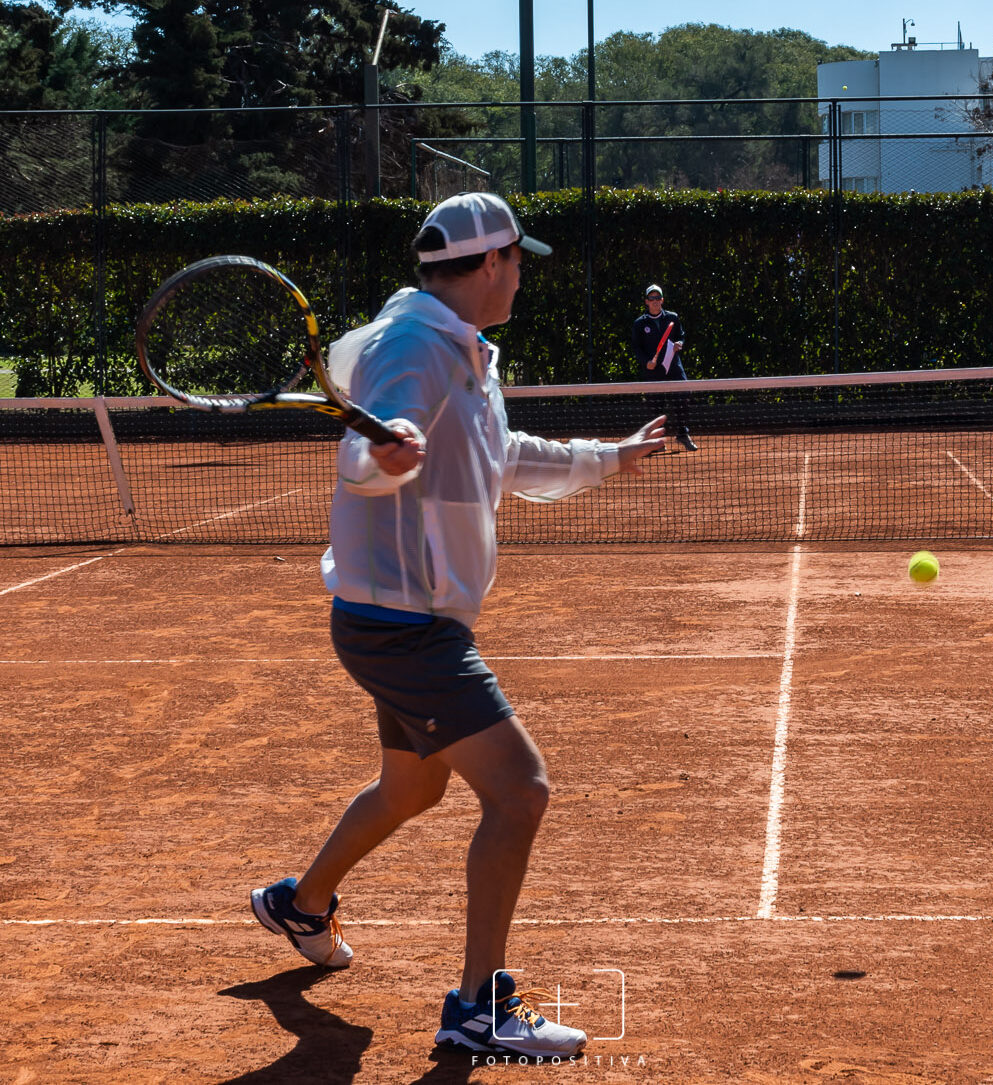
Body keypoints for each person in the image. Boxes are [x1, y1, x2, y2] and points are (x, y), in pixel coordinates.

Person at [250, 192, 667, 1059]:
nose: (521, 276)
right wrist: (383, 448)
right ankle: (478, 1007)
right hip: (405, 626)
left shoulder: (464, 351)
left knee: (412, 789)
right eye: (517, 261)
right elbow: (366, 452)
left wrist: (609, 456)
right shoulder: (413, 345)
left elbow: (502, 454)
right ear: (488, 264)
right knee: (520, 791)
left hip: (401, 616)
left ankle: (302, 903)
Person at [631, 283, 698, 452]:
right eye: (651, 298)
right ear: (647, 301)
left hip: (673, 366)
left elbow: (680, 336)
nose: (655, 301)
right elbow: (637, 348)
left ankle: (682, 434)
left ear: (662, 300)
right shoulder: (639, 324)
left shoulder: (672, 318)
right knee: (655, 405)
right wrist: (647, 362)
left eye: (658, 298)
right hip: (653, 370)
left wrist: (679, 344)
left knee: (684, 395)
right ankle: (657, 442)